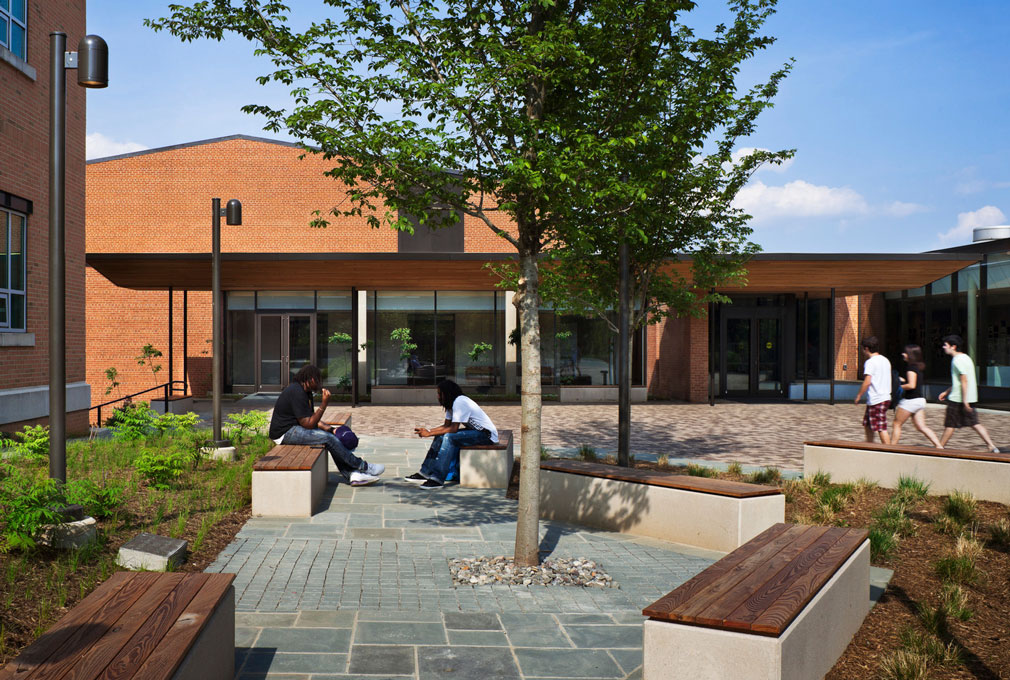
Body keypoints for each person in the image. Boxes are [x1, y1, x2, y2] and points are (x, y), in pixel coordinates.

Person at [268, 364, 385, 485]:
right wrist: (324, 404)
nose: (320, 385)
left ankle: (352, 474)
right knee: (327, 439)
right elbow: (308, 424)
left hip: (295, 428)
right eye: (319, 381)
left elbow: (312, 418)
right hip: (285, 433)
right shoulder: (296, 391)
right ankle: (363, 466)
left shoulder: (306, 392)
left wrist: (331, 429)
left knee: (330, 437)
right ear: (312, 379)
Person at [406, 379, 499, 489]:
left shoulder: (460, 402)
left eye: (439, 393)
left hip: (487, 436)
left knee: (449, 438)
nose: (438, 396)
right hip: (476, 433)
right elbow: (446, 426)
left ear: (447, 393)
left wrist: (428, 434)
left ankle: (437, 478)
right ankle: (425, 472)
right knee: (441, 435)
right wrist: (429, 431)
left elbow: (453, 429)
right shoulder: (451, 404)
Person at [937, 334, 1000, 453]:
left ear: (953, 346)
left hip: (958, 399)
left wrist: (964, 401)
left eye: (945, 345)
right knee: (975, 423)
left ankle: (939, 447)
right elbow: (960, 381)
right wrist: (946, 391)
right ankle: (992, 446)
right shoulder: (966, 357)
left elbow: (964, 380)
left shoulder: (957, 360)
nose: (943, 347)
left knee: (950, 425)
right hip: (968, 397)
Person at [890, 344, 942, 448]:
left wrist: (898, 387)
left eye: (905, 353)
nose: (903, 354)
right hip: (920, 401)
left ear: (910, 355)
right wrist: (901, 380)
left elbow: (911, 385)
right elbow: (912, 382)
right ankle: (939, 446)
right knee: (921, 427)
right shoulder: (917, 368)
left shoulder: (910, 368)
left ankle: (891, 447)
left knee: (897, 424)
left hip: (910, 401)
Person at [854, 336, 892, 444]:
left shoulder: (870, 362)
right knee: (868, 424)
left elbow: (867, 381)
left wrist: (859, 395)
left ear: (866, 348)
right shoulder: (885, 360)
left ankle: (890, 451)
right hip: (883, 397)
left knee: (881, 427)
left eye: (862, 349)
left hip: (877, 398)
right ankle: (869, 446)